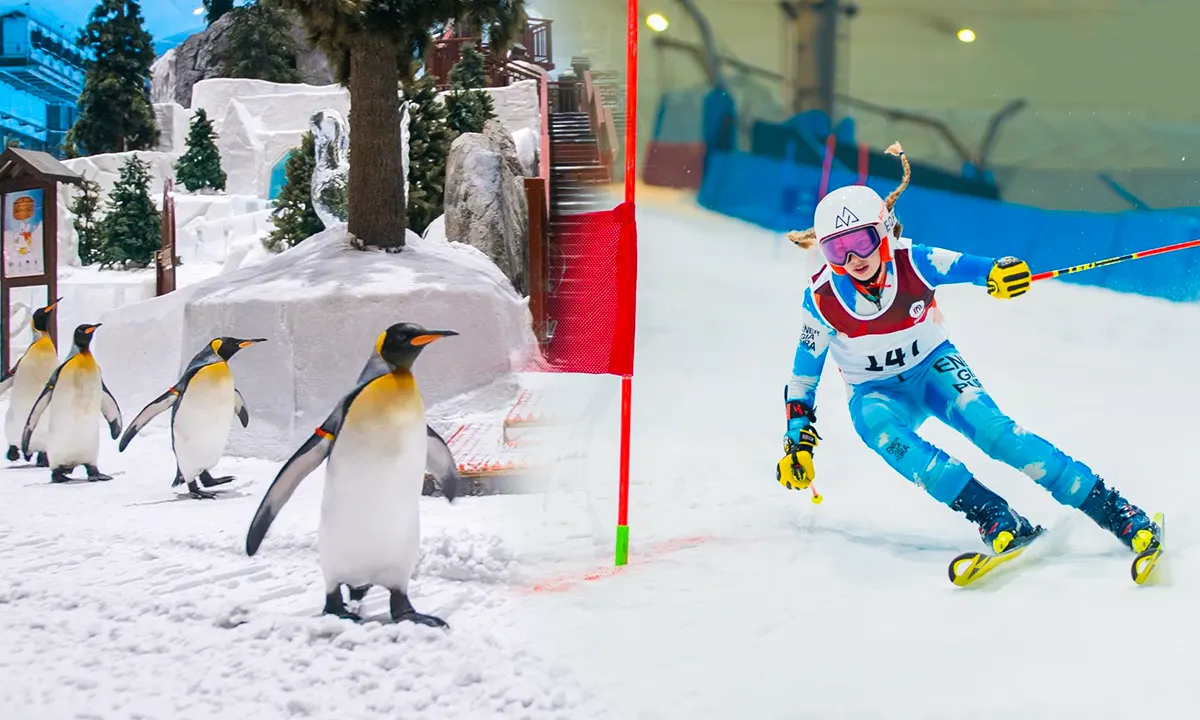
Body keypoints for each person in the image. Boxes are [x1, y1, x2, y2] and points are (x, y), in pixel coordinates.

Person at [778, 142, 1160, 556]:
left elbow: (975, 267)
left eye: (863, 242)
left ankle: (1113, 509)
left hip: (933, 370)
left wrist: (1001, 273)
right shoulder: (821, 299)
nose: (853, 259)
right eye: (837, 249)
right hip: (877, 394)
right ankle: (994, 516)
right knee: (879, 431)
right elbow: (803, 378)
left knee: (998, 434)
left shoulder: (914, 262)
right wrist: (797, 440)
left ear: (885, 231)